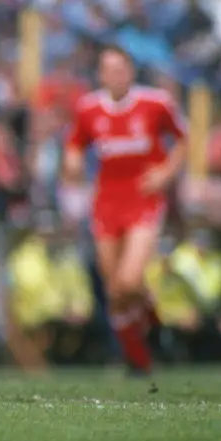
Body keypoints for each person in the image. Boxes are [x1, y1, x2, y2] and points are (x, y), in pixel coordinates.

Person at [63, 45, 187, 384]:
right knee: (115, 289)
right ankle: (140, 358)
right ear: (100, 75)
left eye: (120, 69)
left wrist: (166, 173)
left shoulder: (156, 103)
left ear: (131, 72)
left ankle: (155, 328)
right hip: (106, 200)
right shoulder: (89, 108)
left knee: (129, 279)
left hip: (143, 197)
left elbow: (184, 140)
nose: (114, 76)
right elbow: (76, 143)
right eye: (108, 70)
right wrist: (72, 161)